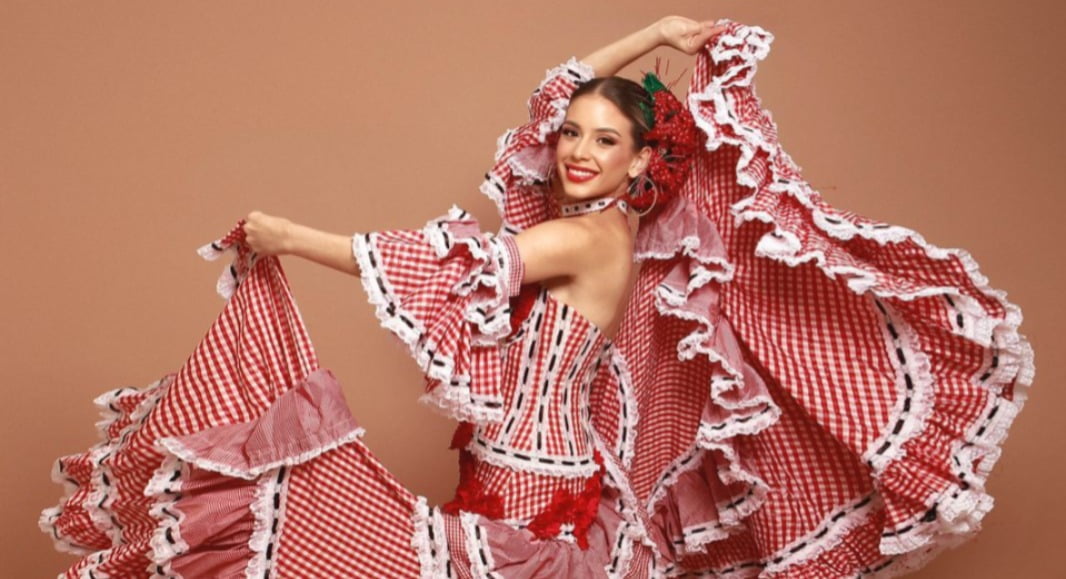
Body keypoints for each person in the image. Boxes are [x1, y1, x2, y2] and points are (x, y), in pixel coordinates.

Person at [42, 15, 1034, 578]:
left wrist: (287, 236)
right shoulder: (594, 219)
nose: (576, 149)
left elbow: (451, 268)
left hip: (536, 487)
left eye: (606, 141)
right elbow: (547, 99)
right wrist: (651, 35)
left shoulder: (579, 240)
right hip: (522, 468)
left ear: (645, 159)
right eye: (574, 135)